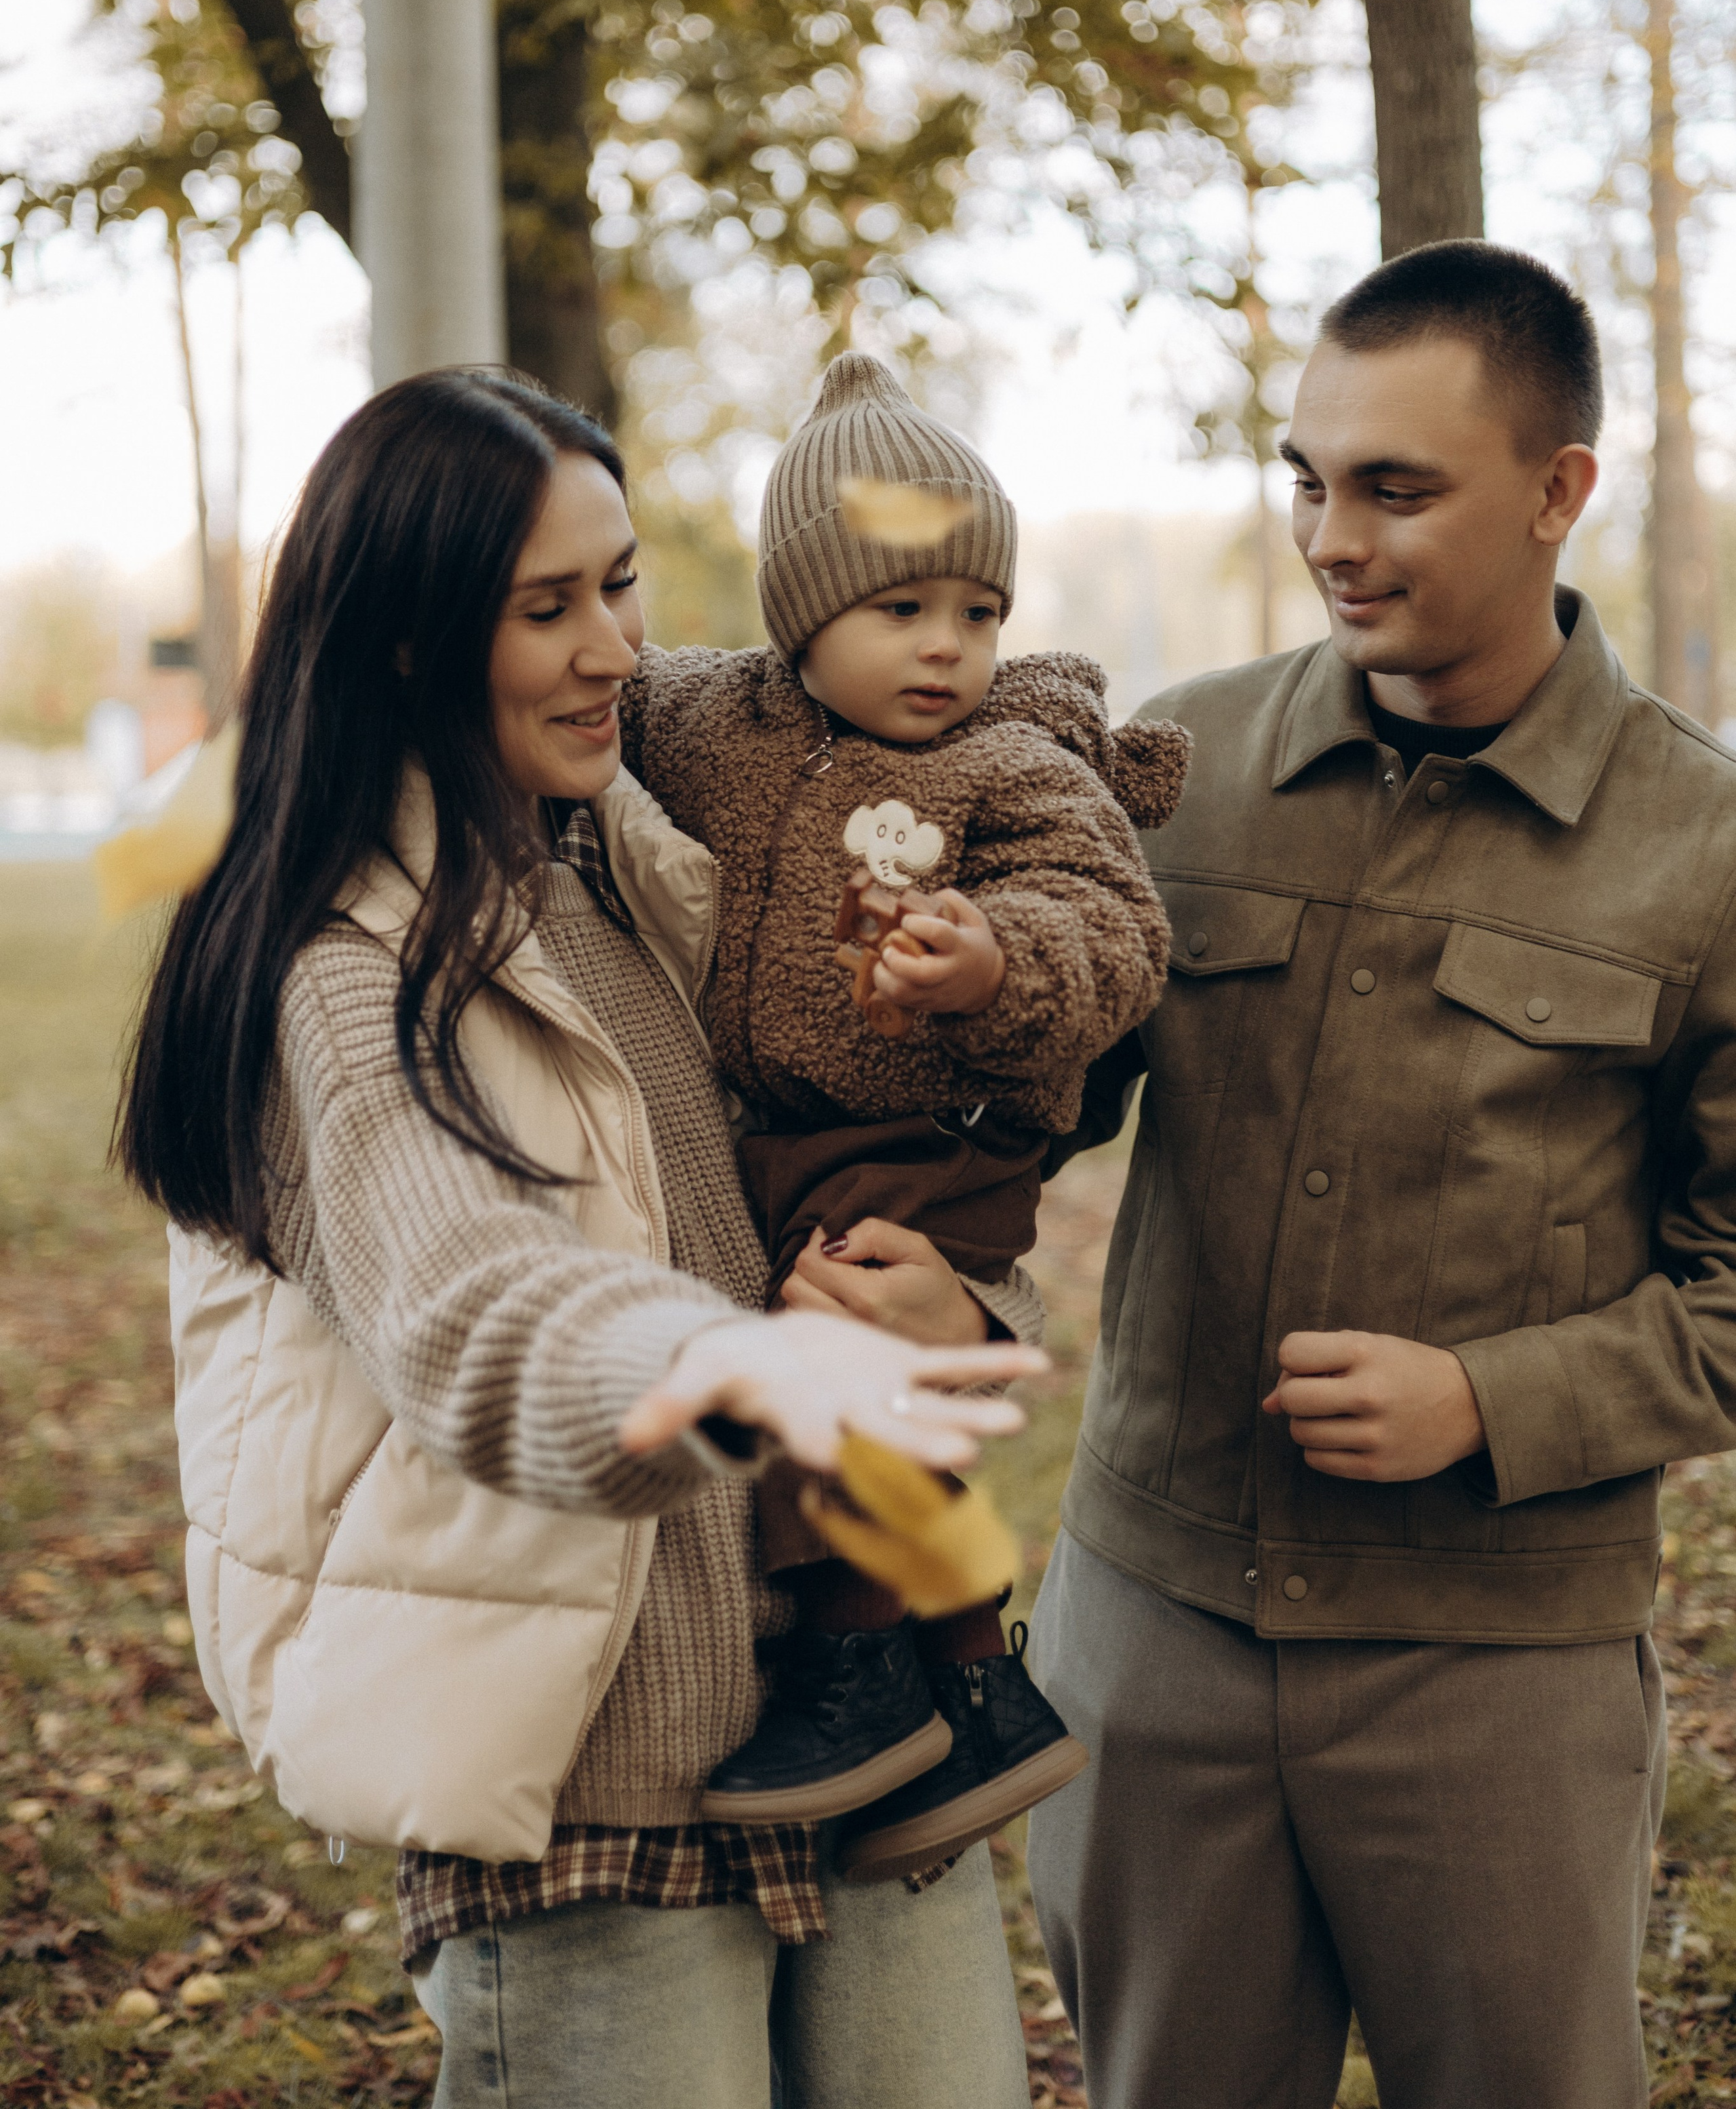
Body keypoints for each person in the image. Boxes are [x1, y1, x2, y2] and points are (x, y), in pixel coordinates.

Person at [121, 369, 1044, 2109]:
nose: (613, 643)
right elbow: (471, 1309)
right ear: (404, 641)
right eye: (545, 607)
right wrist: (721, 1358)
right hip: (584, 1781)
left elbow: (834, 1171)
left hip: (852, 1724)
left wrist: (942, 1307)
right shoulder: (343, 971)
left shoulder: (654, 867)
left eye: (618, 583)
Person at [1025, 240, 1736, 2109]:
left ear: (1562, 490)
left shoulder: (1709, 848)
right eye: (1308, 478)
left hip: (1495, 1669)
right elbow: (1031, 1114)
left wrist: (1491, 1398)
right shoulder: (1178, 770)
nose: (1333, 536)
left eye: (1397, 488)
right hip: (1155, 1642)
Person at [616, 350, 1187, 1880]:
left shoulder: (1015, 760)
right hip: (790, 1118)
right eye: (900, 608)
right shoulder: (709, 724)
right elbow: (602, 697)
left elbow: (1114, 928)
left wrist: (994, 961)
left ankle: (859, 1664)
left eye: (977, 611)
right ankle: (985, 1697)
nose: (947, 647)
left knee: (838, 1334)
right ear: (800, 614)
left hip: (944, 1127)